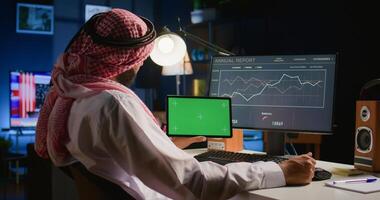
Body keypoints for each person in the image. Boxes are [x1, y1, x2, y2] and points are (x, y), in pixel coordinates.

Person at [35, 8, 316, 200]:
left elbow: (111, 153)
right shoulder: (113, 103)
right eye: (141, 59)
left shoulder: (72, 96)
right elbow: (194, 183)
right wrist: (280, 171)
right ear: (126, 61)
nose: (142, 64)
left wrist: (163, 142)